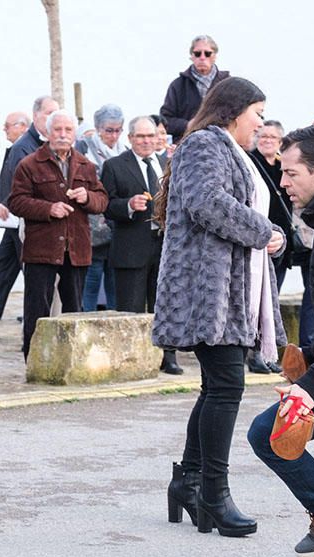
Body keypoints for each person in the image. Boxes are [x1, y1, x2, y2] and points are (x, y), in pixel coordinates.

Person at [154, 77, 285, 538]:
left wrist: (273, 234)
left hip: (228, 289)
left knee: (218, 385)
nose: (262, 123)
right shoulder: (205, 144)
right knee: (227, 384)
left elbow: (251, 213)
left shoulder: (229, 148)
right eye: (258, 114)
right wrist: (261, 230)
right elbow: (205, 202)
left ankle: (188, 482)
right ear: (234, 111)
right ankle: (213, 492)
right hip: (206, 290)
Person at [247, 124, 314, 557]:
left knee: (268, 432)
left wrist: (309, 388)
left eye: (291, 173)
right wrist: (310, 355)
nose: (283, 183)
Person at [10, 110, 108, 359]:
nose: (63, 135)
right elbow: (17, 202)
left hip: (77, 248)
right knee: (37, 308)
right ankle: (33, 358)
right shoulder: (30, 164)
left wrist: (87, 198)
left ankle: (73, 357)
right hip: (41, 247)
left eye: (68, 130)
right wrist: (48, 208)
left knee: (74, 307)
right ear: (47, 132)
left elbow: (103, 201)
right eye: (58, 130)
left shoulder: (87, 166)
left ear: (75, 133)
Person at [101, 115, 182, 375]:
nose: (146, 141)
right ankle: (131, 359)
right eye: (141, 136)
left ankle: (168, 357)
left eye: (151, 136)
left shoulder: (166, 163)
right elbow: (106, 205)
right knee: (132, 307)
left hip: (164, 246)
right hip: (131, 247)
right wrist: (127, 205)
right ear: (130, 138)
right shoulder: (114, 166)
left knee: (165, 305)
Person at [0, 95, 59, 321]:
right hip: (23, 217)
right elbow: (17, 180)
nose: (4, 130)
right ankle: (24, 312)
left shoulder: (43, 144)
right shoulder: (24, 147)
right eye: (48, 113)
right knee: (28, 265)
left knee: (8, 262)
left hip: (20, 216)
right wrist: (3, 201)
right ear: (35, 117)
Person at [245, 119, 294, 374]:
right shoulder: (251, 162)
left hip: (280, 241)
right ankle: (255, 355)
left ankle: (267, 353)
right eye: (263, 136)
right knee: (256, 300)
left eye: (273, 138)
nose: (267, 141)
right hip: (258, 240)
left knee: (272, 299)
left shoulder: (283, 167)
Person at [79, 103, 126, 313]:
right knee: (91, 279)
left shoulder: (123, 151)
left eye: (118, 130)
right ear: (98, 128)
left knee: (115, 283)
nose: (114, 135)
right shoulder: (85, 150)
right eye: (109, 130)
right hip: (93, 226)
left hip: (117, 225)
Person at [159, 35, 230, 142]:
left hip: (221, 144)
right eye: (197, 53)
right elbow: (165, 121)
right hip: (187, 145)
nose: (202, 57)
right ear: (191, 56)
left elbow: (238, 116)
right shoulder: (178, 85)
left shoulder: (227, 84)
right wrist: (188, 125)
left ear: (214, 56)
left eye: (207, 53)